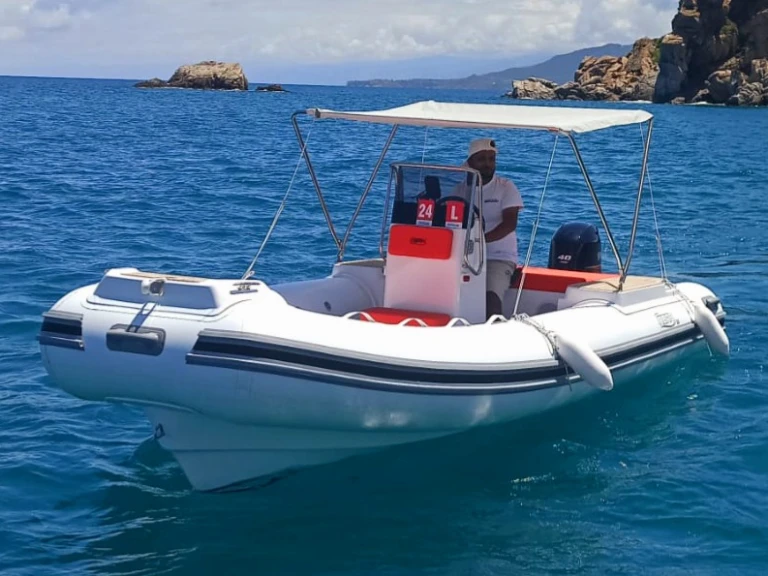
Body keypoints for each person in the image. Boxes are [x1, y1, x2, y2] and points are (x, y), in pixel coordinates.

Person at [460, 138, 524, 319]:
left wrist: (479, 241)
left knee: (491, 298)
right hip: (462, 257)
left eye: (491, 159)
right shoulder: (458, 189)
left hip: (498, 258)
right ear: (470, 162)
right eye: (482, 159)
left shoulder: (506, 188)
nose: (487, 164)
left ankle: (495, 333)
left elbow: (509, 224)